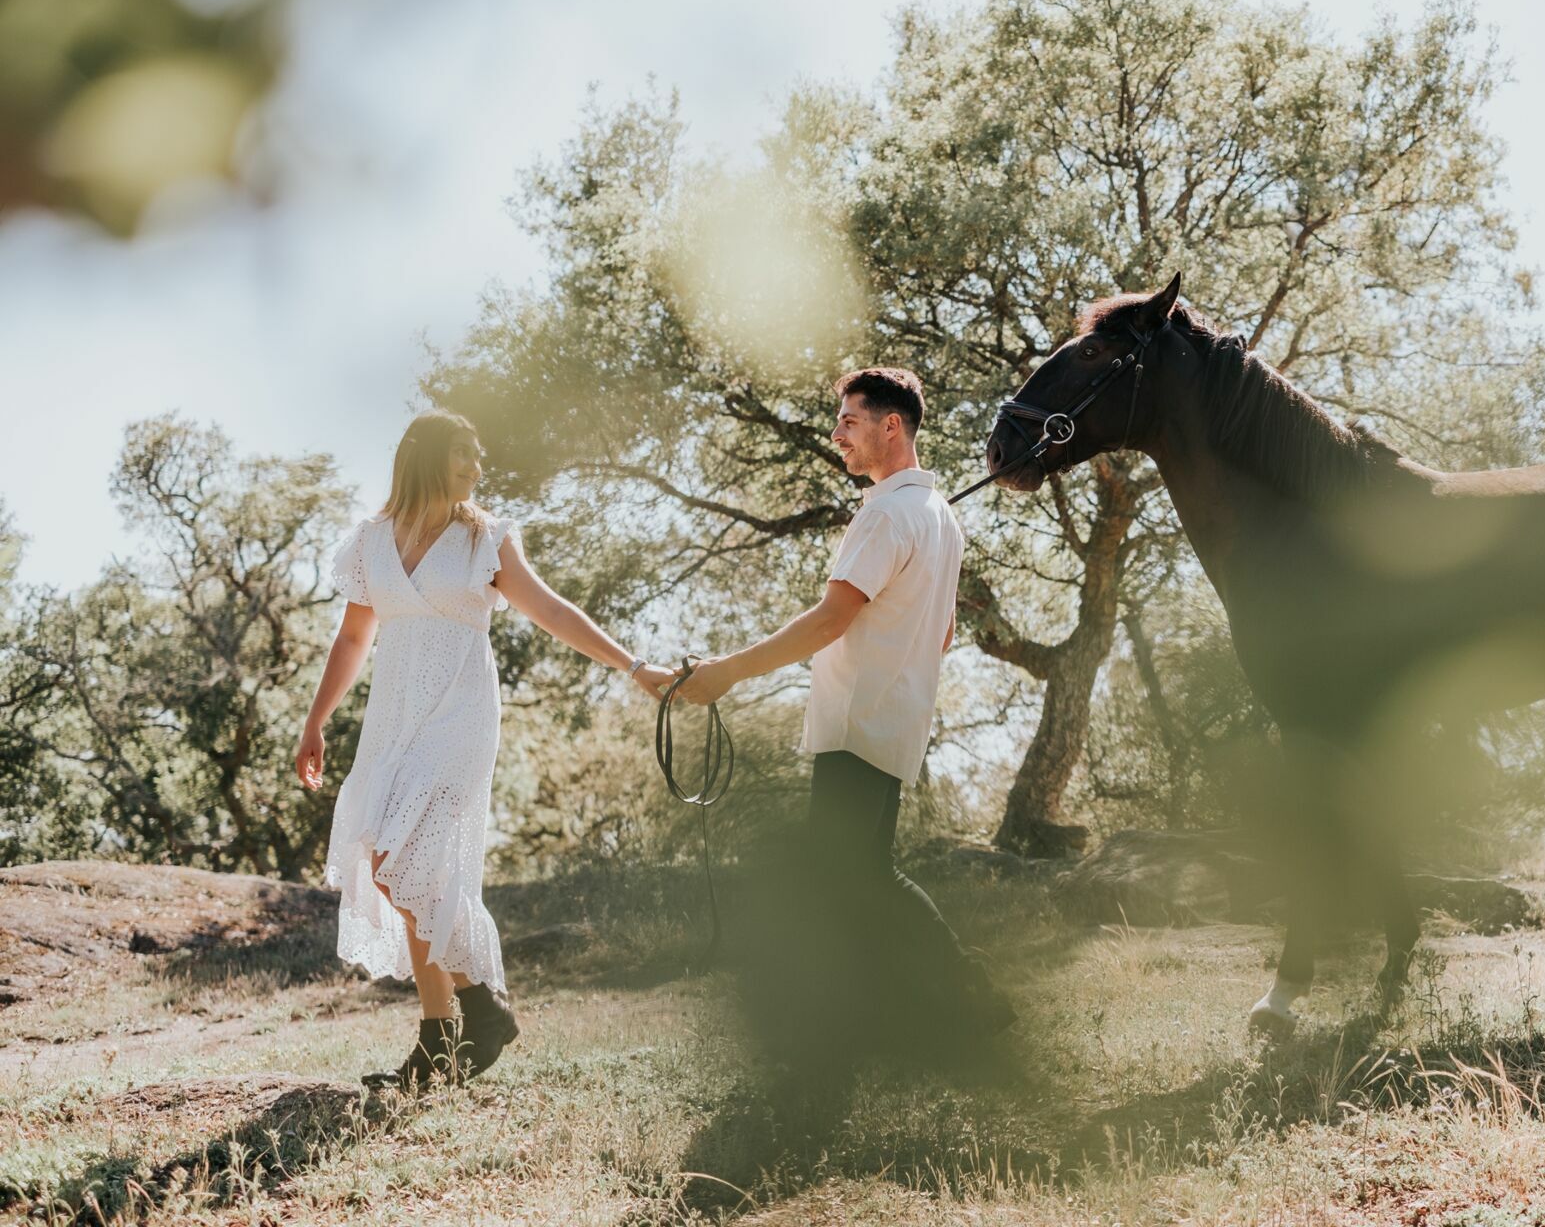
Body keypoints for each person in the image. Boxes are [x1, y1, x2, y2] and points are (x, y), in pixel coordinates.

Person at [298, 409, 672, 1089]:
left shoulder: (485, 541)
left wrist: (632, 666)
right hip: (394, 719)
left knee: (400, 860)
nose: (476, 469)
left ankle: (481, 1004)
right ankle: (438, 1040)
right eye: (462, 456)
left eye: (478, 457)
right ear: (424, 458)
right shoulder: (370, 542)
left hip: (459, 715)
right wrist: (316, 720)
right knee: (405, 863)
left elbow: (553, 611)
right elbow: (353, 640)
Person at [674, 367, 1012, 1033]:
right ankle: (898, 1010)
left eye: (849, 422)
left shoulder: (887, 511)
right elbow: (941, 635)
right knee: (861, 877)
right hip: (895, 723)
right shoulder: (941, 519)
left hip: (858, 723)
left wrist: (725, 673)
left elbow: (831, 619)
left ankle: (965, 1000)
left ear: (893, 426)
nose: (837, 436)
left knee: (853, 879)